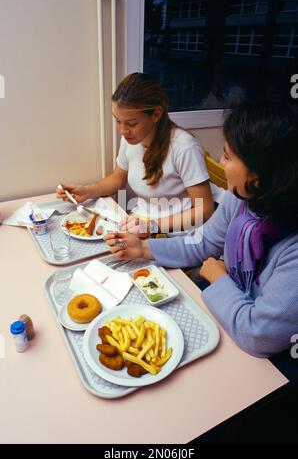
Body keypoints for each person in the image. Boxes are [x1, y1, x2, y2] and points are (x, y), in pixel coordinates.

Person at [104, 101, 298, 364]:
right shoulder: (241, 199)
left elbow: (259, 335)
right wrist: (142, 249)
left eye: (228, 156)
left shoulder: (291, 248)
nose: (220, 162)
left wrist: (218, 278)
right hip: (229, 311)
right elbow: (204, 243)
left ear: (258, 176)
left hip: (270, 359)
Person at [56, 72, 218, 236]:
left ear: (156, 114)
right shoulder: (130, 139)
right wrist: (88, 191)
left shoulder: (184, 148)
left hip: (177, 235)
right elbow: (118, 178)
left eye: (131, 123)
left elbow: (204, 210)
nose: (123, 131)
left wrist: (151, 226)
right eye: (118, 121)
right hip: (141, 224)